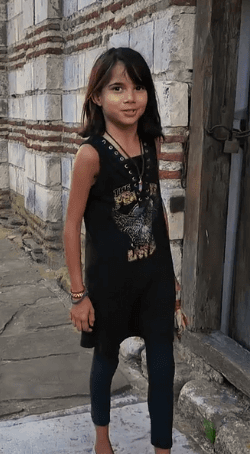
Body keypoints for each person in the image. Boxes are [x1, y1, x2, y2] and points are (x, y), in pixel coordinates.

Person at [64, 47, 177, 454]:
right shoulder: (90, 155)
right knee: (106, 359)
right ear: (97, 96)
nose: (131, 97)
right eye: (117, 88)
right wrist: (79, 295)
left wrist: (172, 277)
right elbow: (71, 224)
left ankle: (162, 449)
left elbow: (156, 207)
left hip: (154, 280)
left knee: (163, 366)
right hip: (109, 285)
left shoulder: (151, 144)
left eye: (139, 86)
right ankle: (101, 439)